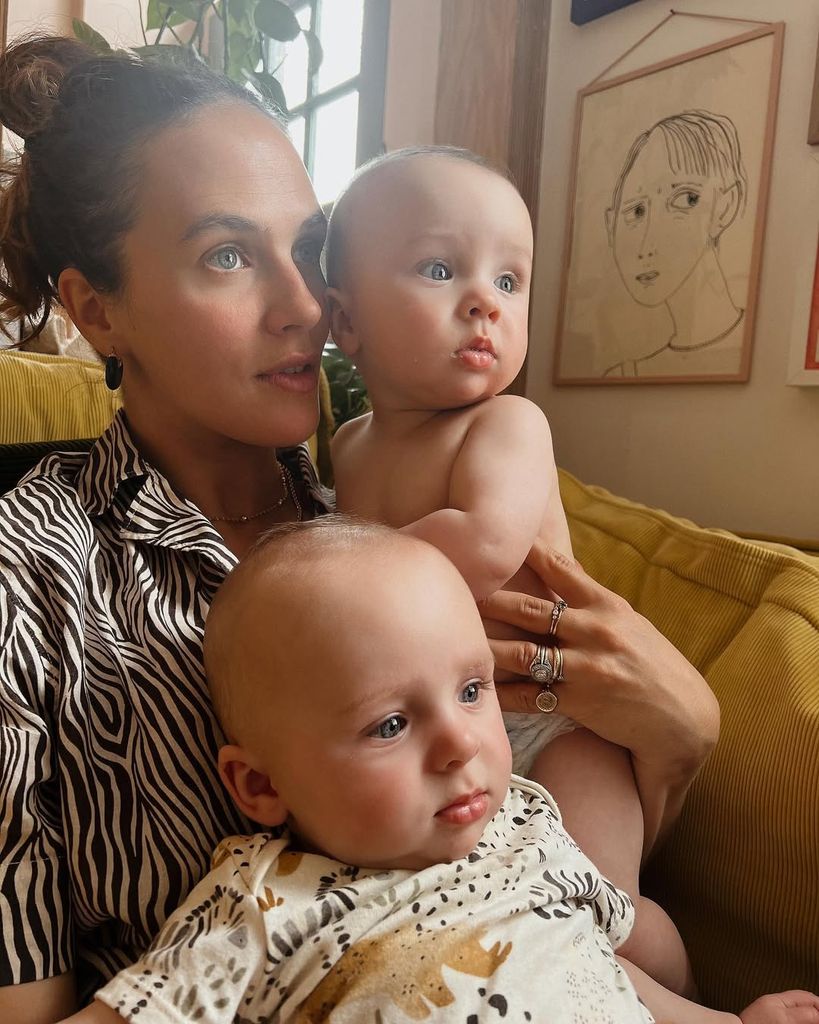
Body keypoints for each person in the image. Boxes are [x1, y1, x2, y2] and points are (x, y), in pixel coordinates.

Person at [0, 35, 718, 1024]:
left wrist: (680, 735)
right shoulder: (30, 575)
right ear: (95, 308)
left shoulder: (375, 505)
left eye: (307, 252)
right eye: (226, 255)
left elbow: (546, 868)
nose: (303, 306)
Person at [66, 519, 819, 1024]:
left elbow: (620, 974)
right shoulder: (259, 904)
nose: (460, 742)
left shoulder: (528, 826)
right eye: (390, 724)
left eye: (470, 690)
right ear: (260, 787)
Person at [325, 147, 689, 993]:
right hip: (439, 731)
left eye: (510, 280)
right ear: (345, 322)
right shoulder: (345, 446)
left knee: (603, 907)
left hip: (558, 728)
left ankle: (687, 999)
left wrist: (336, 580)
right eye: (441, 268)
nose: (484, 301)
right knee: (494, 916)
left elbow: (487, 544)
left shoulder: (505, 426)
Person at [603, 110, 747, 378]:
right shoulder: (624, 374)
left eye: (685, 200)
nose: (647, 244)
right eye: (635, 212)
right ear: (611, 225)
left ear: (726, 206)